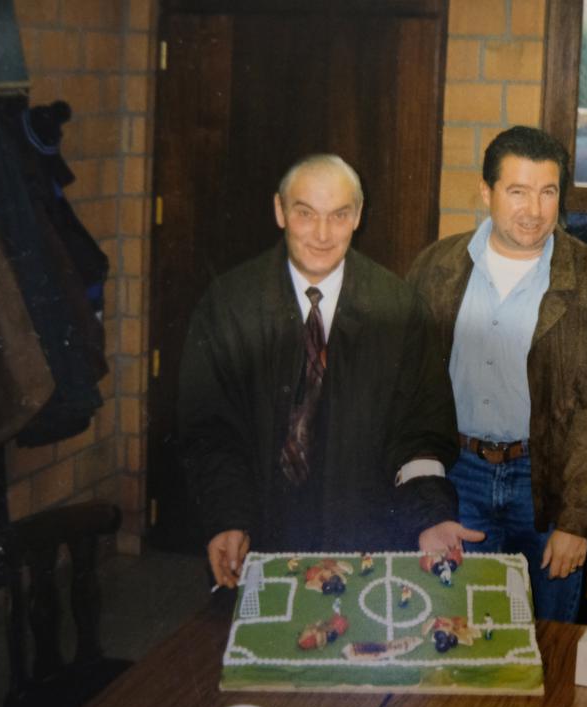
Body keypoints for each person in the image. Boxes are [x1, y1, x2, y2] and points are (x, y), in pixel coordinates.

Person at [179, 154, 483, 589]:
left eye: (339, 215)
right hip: (258, 535)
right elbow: (210, 429)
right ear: (280, 212)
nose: (322, 235)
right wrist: (227, 517)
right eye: (305, 214)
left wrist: (430, 516)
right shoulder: (229, 306)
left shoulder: (397, 309)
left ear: (358, 216)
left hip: (365, 538)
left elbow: (421, 434)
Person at [409, 126, 587, 622]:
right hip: (459, 474)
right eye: (517, 191)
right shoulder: (435, 271)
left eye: (547, 192)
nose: (533, 210)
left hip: (548, 483)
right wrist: (425, 499)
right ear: (485, 192)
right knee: (455, 627)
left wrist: (577, 521)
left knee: (549, 640)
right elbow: (409, 393)